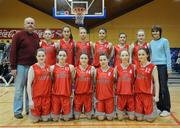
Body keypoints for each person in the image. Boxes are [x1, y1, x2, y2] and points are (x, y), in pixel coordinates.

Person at [10, 17, 40, 119]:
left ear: (34, 25)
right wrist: (13, 67)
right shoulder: (18, 36)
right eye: (28, 23)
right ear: (24, 24)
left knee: (30, 89)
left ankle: (28, 109)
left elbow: (38, 52)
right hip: (20, 66)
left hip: (32, 66)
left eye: (32, 23)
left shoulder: (36, 36)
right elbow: (13, 51)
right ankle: (17, 111)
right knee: (19, 89)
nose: (30, 24)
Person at [149, 25, 172, 117]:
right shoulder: (151, 42)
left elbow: (168, 54)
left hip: (163, 66)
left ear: (160, 32)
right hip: (154, 66)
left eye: (157, 31)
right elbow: (150, 55)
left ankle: (166, 109)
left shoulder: (165, 41)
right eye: (153, 31)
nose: (155, 33)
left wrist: (169, 68)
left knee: (163, 87)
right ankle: (159, 108)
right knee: (156, 88)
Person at [27, 48, 52, 123]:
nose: (41, 57)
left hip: (46, 98)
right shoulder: (32, 67)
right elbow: (28, 84)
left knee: (45, 120)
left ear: (45, 56)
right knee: (35, 120)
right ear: (36, 57)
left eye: (43, 56)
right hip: (36, 98)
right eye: (39, 56)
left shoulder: (49, 68)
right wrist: (30, 100)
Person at [134, 48, 159, 122]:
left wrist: (157, 96)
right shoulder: (136, 66)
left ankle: (153, 110)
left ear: (147, 55)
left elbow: (156, 82)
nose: (140, 56)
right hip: (138, 95)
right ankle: (142, 113)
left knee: (149, 119)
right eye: (139, 55)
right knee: (139, 119)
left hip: (148, 95)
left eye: (143, 54)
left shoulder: (153, 67)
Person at [51, 49, 75, 121]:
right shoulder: (52, 68)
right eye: (60, 55)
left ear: (67, 57)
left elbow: (73, 80)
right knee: (55, 119)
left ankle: (64, 113)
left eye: (64, 55)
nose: (62, 57)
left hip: (66, 95)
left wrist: (72, 92)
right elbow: (52, 80)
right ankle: (58, 112)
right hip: (56, 95)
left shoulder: (71, 67)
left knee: (66, 119)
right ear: (57, 56)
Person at [94, 53, 116, 121]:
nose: (102, 61)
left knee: (110, 118)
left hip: (109, 98)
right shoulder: (96, 71)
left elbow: (115, 83)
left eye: (104, 59)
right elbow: (94, 83)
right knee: (100, 118)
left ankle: (110, 112)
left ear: (108, 60)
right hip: (100, 98)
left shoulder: (113, 70)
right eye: (100, 60)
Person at [74, 53, 95, 119]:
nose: (84, 60)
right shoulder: (75, 69)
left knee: (89, 117)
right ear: (79, 60)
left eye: (85, 58)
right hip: (78, 95)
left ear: (88, 59)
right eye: (82, 58)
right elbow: (72, 81)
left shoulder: (92, 68)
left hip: (88, 95)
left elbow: (94, 81)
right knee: (76, 117)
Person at [116, 50, 135, 120]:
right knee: (120, 118)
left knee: (132, 118)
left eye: (126, 55)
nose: (125, 57)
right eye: (123, 55)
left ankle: (127, 110)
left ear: (129, 56)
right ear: (120, 57)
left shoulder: (133, 67)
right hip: (121, 95)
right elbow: (115, 81)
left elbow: (135, 80)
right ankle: (122, 110)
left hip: (130, 95)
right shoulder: (116, 68)